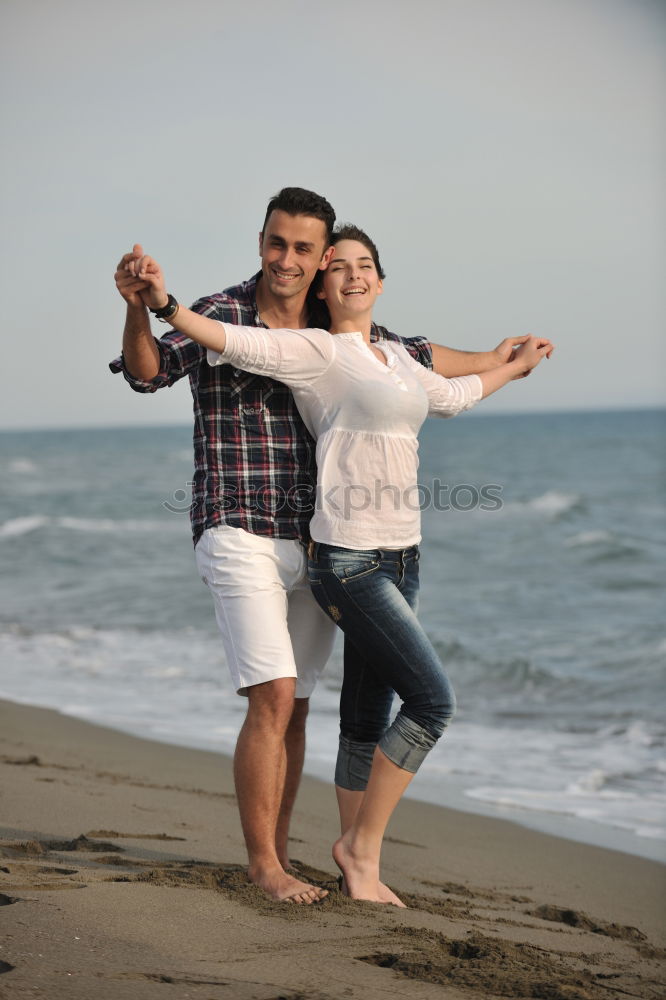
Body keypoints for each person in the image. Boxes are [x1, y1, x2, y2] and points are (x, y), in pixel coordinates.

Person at [122, 223, 552, 906]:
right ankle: (348, 847)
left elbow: (454, 393)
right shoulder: (314, 349)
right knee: (431, 702)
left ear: (380, 279)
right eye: (341, 266)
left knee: (359, 713)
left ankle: (360, 870)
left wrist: (510, 364)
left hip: (400, 553)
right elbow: (235, 341)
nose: (353, 275)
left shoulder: (396, 357)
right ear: (325, 280)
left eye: (365, 265)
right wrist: (165, 307)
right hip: (343, 554)